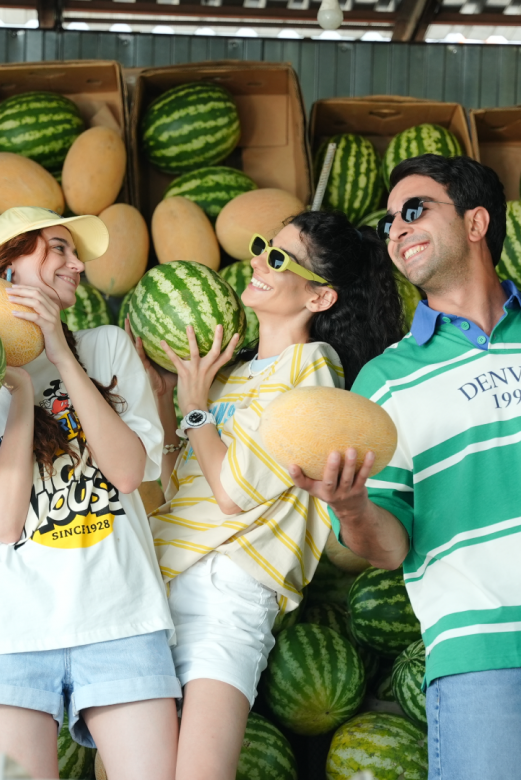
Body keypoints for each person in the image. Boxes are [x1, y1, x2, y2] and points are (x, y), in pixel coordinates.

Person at [135, 211, 404, 780]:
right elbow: (180, 486)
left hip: (229, 592)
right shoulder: (226, 374)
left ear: (320, 297)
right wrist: (164, 398)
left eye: (278, 258)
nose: (257, 260)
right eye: (263, 246)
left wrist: (193, 405)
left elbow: (233, 493)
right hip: (158, 577)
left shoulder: (313, 370)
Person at [293, 154, 521, 780]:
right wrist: (351, 508)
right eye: (389, 222)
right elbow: (389, 547)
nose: (396, 228)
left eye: (415, 209)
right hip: (480, 658)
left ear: (476, 222)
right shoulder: (385, 381)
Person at [0, 206, 181, 780]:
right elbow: (2, 523)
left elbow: (127, 472)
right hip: (6, 632)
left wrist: (61, 357)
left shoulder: (106, 346)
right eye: (59, 248)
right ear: (7, 269)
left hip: (121, 621)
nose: (78, 265)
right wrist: (19, 393)